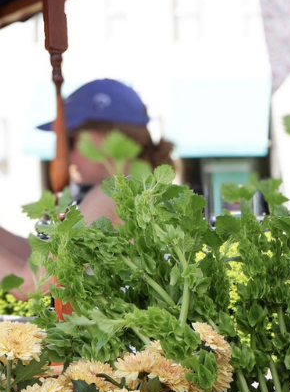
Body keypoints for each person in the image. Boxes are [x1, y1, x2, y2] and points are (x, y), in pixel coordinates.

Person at [0, 78, 174, 299]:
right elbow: (43, 259)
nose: (65, 155)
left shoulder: (114, 194)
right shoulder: (139, 189)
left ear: (112, 135)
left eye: (70, 141)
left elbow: (31, 283)